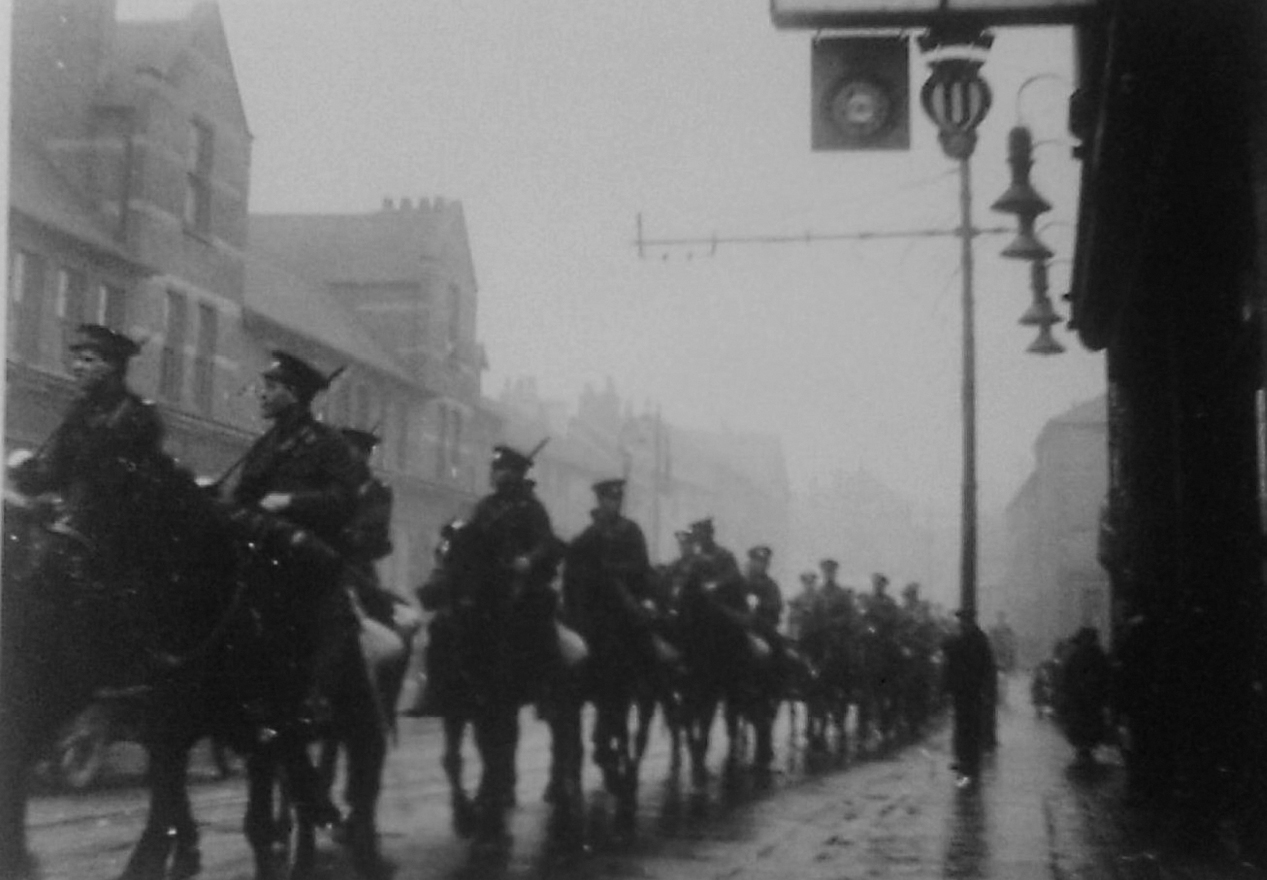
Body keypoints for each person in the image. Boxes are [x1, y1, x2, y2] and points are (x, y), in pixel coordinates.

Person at [223, 350, 362, 827]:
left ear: (296, 394)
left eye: (272, 386)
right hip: (262, 558)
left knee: (332, 622)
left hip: (310, 564)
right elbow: (240, 498)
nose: (262, 393)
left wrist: (292, 502)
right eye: (264, 385)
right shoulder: (262, 446)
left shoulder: (328, 445)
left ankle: (318, 698)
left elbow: (345, 500)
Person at [8, 324, 164, 576]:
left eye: (87, 360)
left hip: (114, 541)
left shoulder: (137, 417)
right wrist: (29, 475)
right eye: (77, 360)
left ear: (111, 366)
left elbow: (128, 488)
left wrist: (68, 506)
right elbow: (55, 469)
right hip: (72, 528)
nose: (76, 367)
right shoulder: (78, 413)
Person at [562, 478, 657, 788]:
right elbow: (572, 577)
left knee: (641, 642)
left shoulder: (631, 532)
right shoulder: (586, 537)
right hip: (590, 618)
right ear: (599, 501)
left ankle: (646, 681)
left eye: (616, 499)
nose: (611, 504)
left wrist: (617, 572)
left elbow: (642, 569)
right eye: (606, 499)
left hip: (621, 615)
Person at [942, 608, 997, 788]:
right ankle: (965, 759)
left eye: (963, 621)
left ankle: (968, 761)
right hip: (966, 690)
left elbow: (950, 650)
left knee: (968, 726)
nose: (961, 624)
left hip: (969, 690)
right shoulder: (975, 638)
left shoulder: (973, 639)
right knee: (964, 725)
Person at [1059, 626, 1112, 765]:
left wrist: (1068, 694)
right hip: (1093, 699)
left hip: (1079, 699)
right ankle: (1087, 747)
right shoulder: (1099, 655)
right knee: (1090, 722)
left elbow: (1067, 677)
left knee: (1081, 723)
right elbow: (1106, 676)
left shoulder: (1076, 656)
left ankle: (1084, 748)